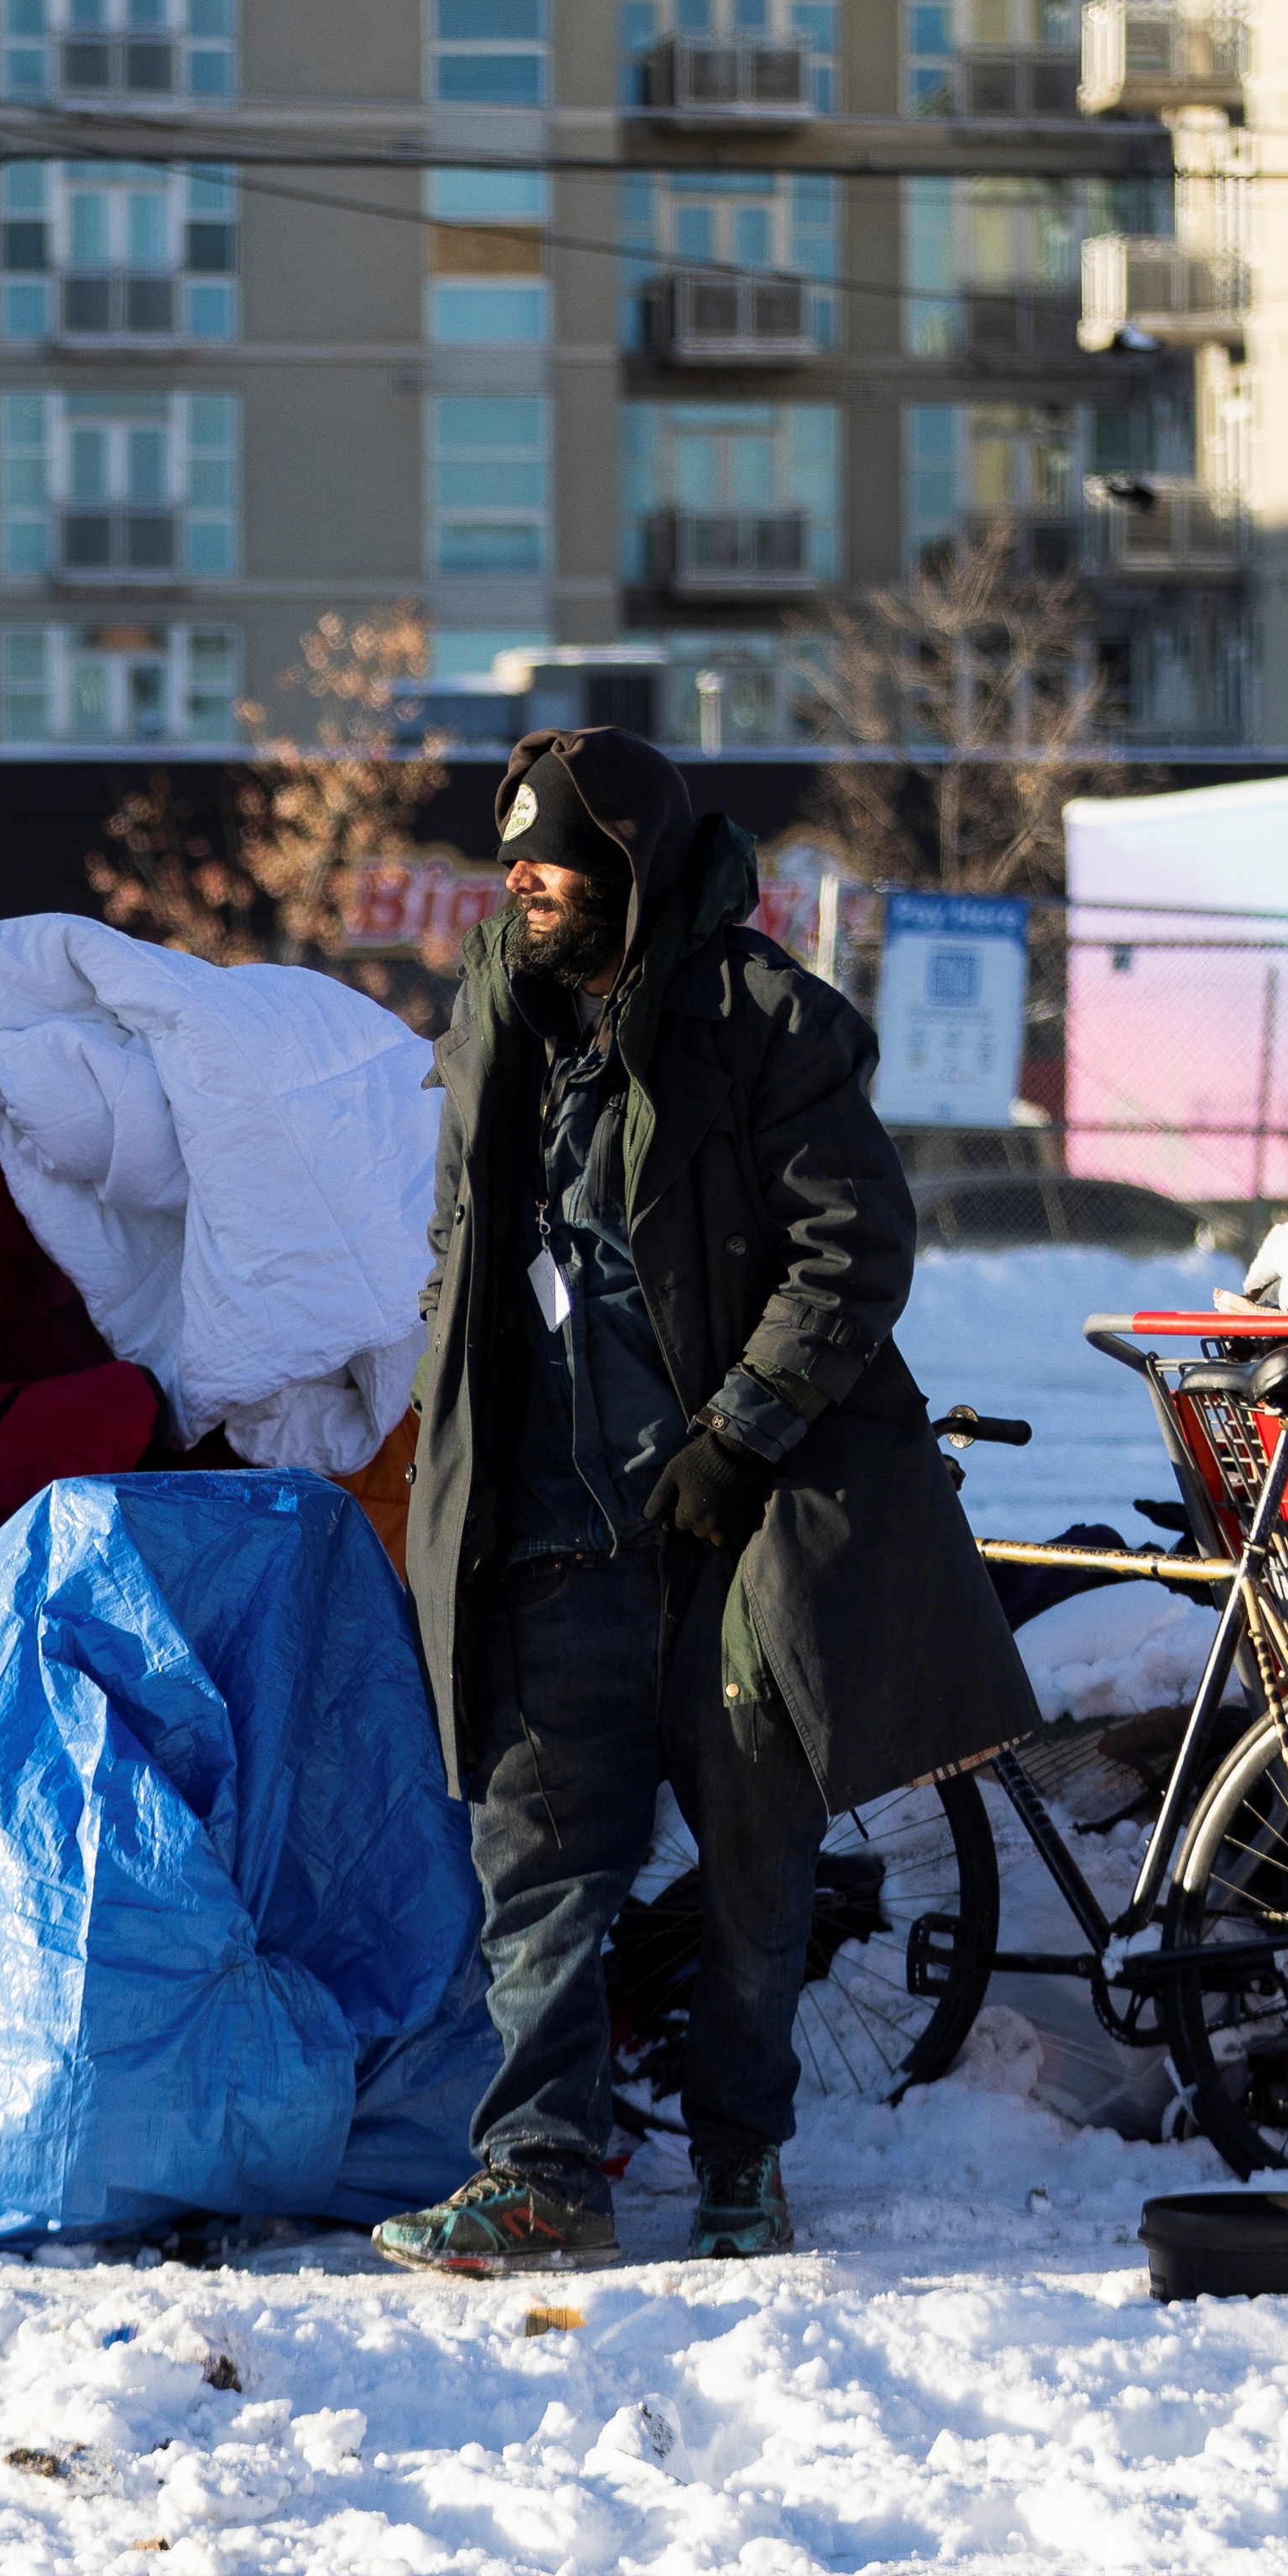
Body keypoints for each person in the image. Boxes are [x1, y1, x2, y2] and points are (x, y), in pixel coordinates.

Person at [372, 727, 1038, 2276]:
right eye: (513, 855)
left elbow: (850, 1250)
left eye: (554, 856)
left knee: (754, 1855)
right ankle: (542, 2171)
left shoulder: (766, 1022)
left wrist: (742, 1433)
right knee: (535, 1866)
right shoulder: (496, 1011)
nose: (521, 880)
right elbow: (464, 1229)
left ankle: (744, 2161)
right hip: (541, 1530)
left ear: (633, 868)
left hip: (728, 1532)